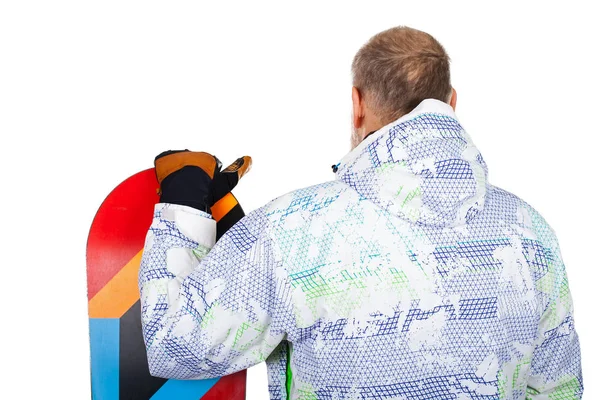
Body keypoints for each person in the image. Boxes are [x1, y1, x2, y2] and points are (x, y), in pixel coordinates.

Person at [138, 26, 583, 399]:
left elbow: (173, 344)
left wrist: (183, 206)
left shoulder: (290, 231)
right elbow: (558, 390)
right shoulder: (531, 234)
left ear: (357, 105)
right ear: (451, 103)